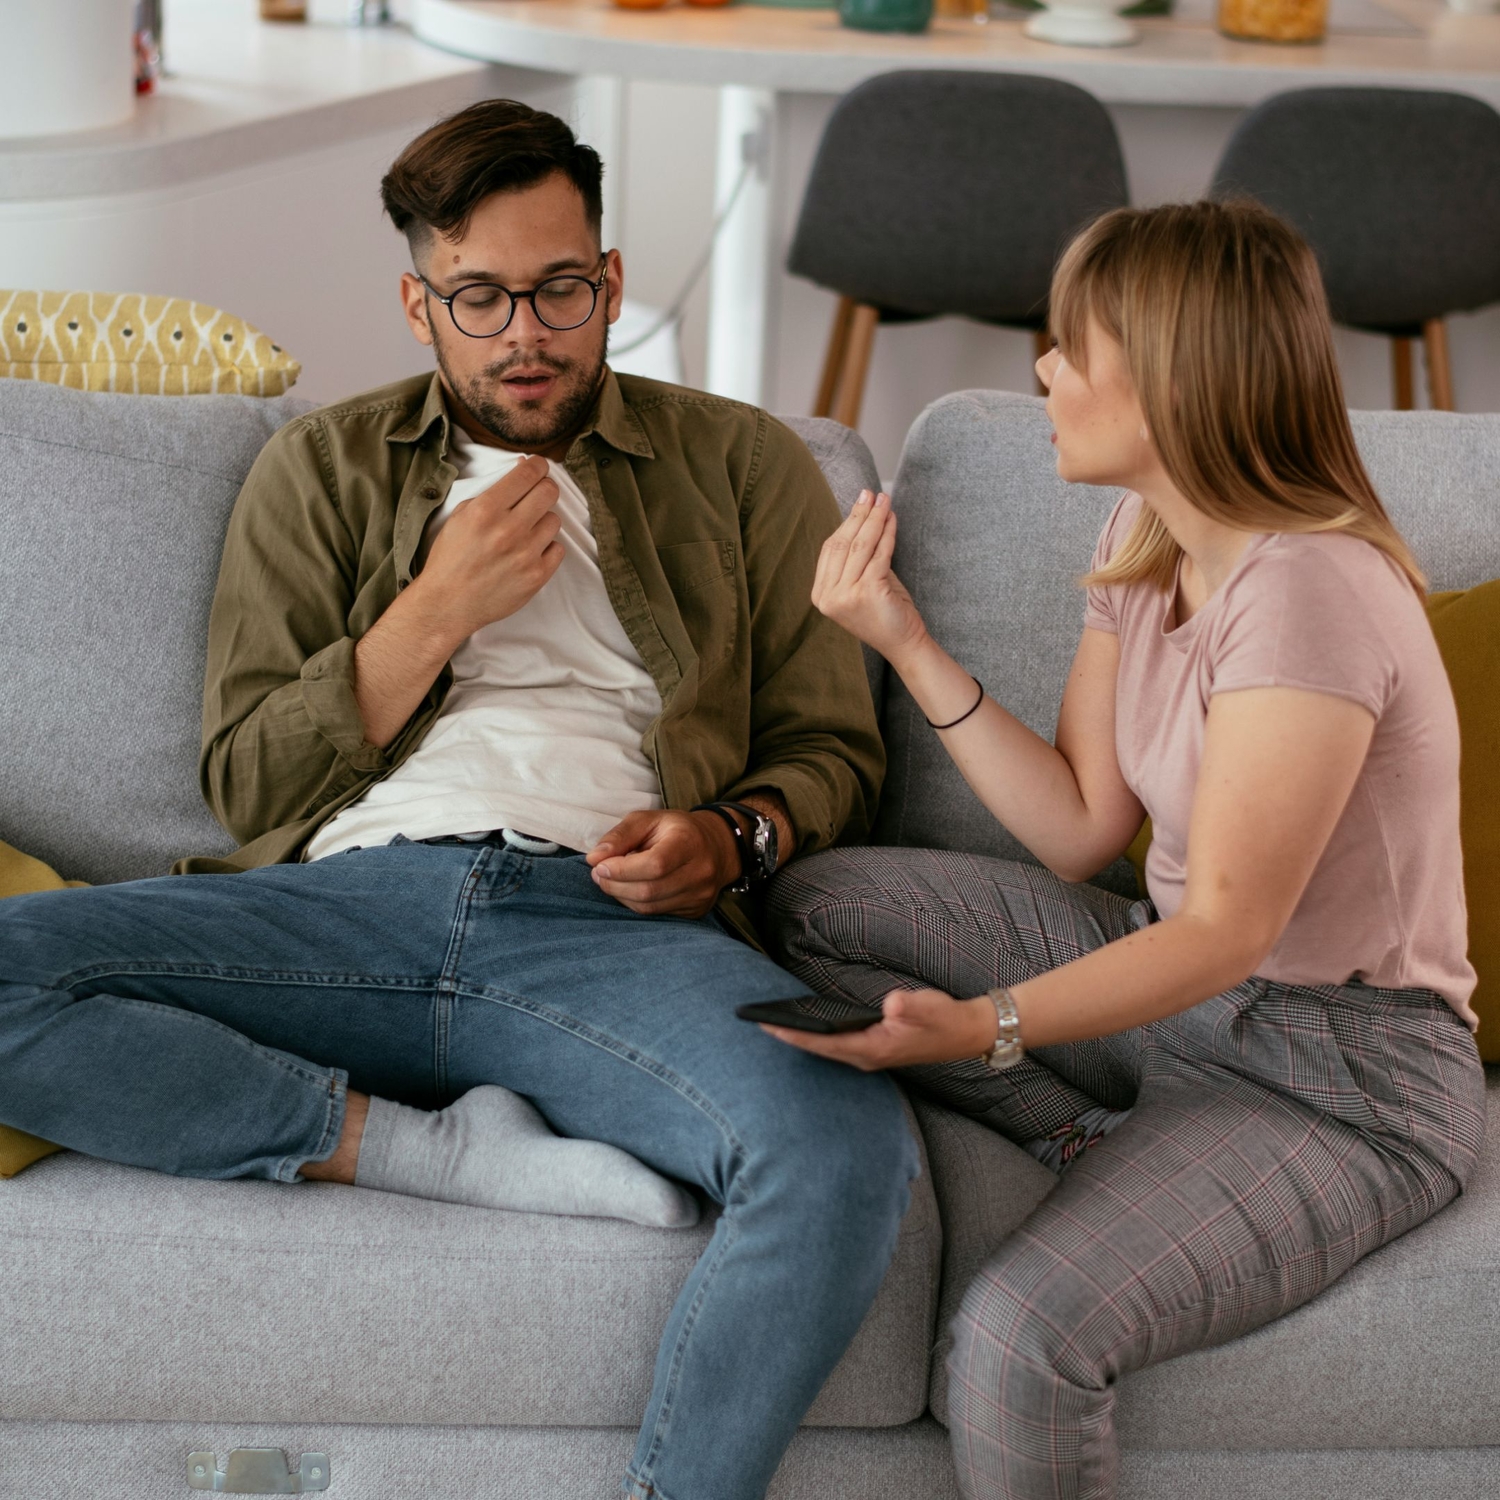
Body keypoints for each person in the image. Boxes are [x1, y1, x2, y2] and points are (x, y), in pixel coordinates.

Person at [0, 100, 919, 1500]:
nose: (523, 334)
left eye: (557, 289)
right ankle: (416, 1147)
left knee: (843, 1141)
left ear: (608, 284)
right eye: (478, 297)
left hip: (605, 932)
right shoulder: (320, 470)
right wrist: (425, 617)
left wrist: (729, 838)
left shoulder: (742, 468)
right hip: (352, 906)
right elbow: (244, 777)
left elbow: (832, 752)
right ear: (419, 303)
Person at [762, 199, 1486, 1500]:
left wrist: (984, 1027)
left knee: (1015, 1345)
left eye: (1071, 346)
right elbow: (1078, 829)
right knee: (817, 904)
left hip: (1341, 1077)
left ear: (1170, 377)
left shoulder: (1309, 591)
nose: (1041, 370)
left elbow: (1229, 930)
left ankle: (1127, 1140)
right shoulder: (1144, 543)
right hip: (1185, 1004)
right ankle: (1091, 1141)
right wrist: (904, 641)